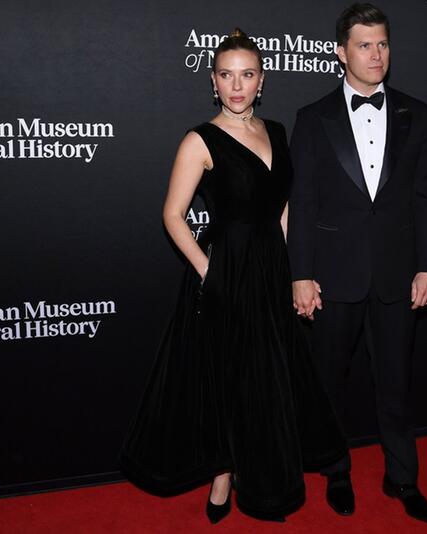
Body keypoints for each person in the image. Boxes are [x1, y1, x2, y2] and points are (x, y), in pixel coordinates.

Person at [118, 28, 348, 524]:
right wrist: (210, 272)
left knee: (269, 377)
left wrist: (295, 274)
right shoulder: (199, 139)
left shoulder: (278, 132)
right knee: (228, 376)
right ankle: (223, 473)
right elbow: (172, 215)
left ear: (261, 81)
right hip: (226, 270)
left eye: (247, 75)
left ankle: (261, 475)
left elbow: (283, 210)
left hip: (270, 269)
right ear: (213, 81)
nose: (237, 85)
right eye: (226, 75)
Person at [287, 3, 427, 524]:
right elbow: (303, 204)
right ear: (340, 52)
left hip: (399, 278)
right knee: (330, 383)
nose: (376, 55)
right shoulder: (313, 119)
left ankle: (403, 478)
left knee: (396, 385)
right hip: (333, 277)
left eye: (382, 44)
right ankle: (336, 472)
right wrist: (300, 274)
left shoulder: (415, 114)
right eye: (364, 45)